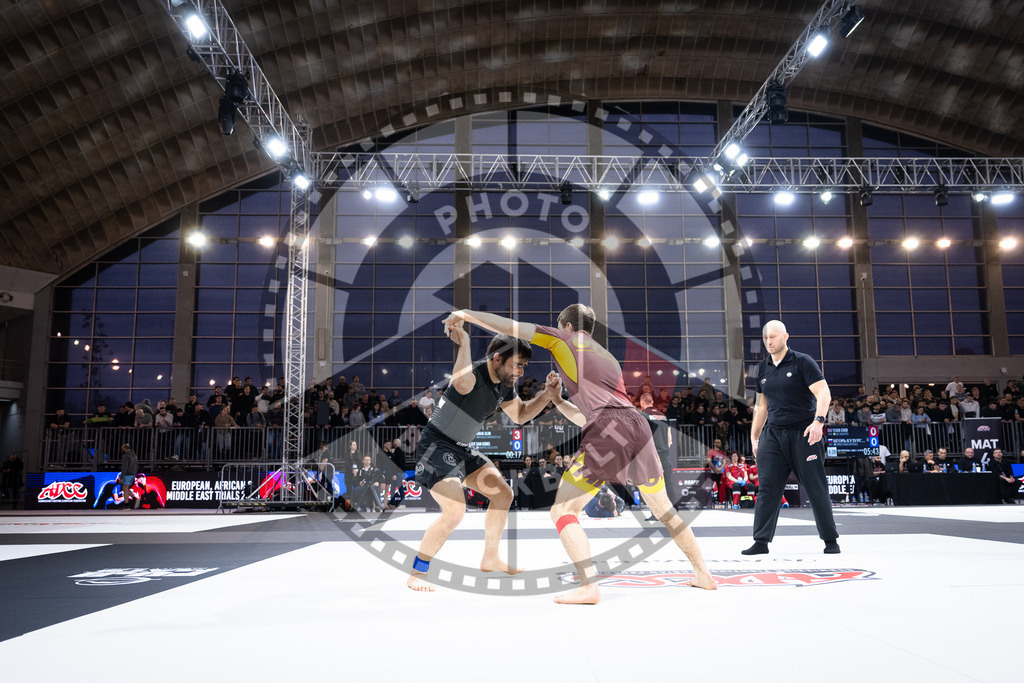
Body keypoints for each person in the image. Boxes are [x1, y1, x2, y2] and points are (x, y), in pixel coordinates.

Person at [446, 304, 715, 603]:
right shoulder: (607, 357)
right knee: (665, 511)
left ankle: (588, 585)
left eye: (560, 326)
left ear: (567, 326)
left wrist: (466, 314)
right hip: (636, 425)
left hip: (609, 426)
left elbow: (509, 326)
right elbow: (591, 413)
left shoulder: (565, 340)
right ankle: (703, 573)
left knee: (563, 510)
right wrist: (558, 399)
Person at [406, 324, 557, 593]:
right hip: (436, 447)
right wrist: (463, 341)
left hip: (462, 449)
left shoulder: (505, 385)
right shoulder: (472, 373)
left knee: (503, 494)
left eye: (523, 366)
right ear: (497, 358)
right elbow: (462, 384)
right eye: (517, 365)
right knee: (454, 511)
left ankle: (490, 557)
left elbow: (520, 415)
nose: (521, 373)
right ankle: (418, 571)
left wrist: (547, 394)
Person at [743, 320, 839, 556]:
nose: (769, 341)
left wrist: (819, 421)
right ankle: (761, 542)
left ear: (786, 337)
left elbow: (823, 392)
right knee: (767, 488)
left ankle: (830, 540)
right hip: (773, 435)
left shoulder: (802, 362)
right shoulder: (762, 368)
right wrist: (755, 437)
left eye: (773, 337)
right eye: (766, 338)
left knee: (816, 488)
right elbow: (761, 405)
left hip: (804, 434)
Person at [119, 443, 140, 509]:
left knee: (125, 488)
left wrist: (122, 476)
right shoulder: (135, 456)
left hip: (127, 474)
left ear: (124, 449)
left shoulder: (126, 456)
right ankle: (134, 498)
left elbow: (124, 467)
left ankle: (126, 504)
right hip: (133, 473)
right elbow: (137, 465)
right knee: (125, 488)